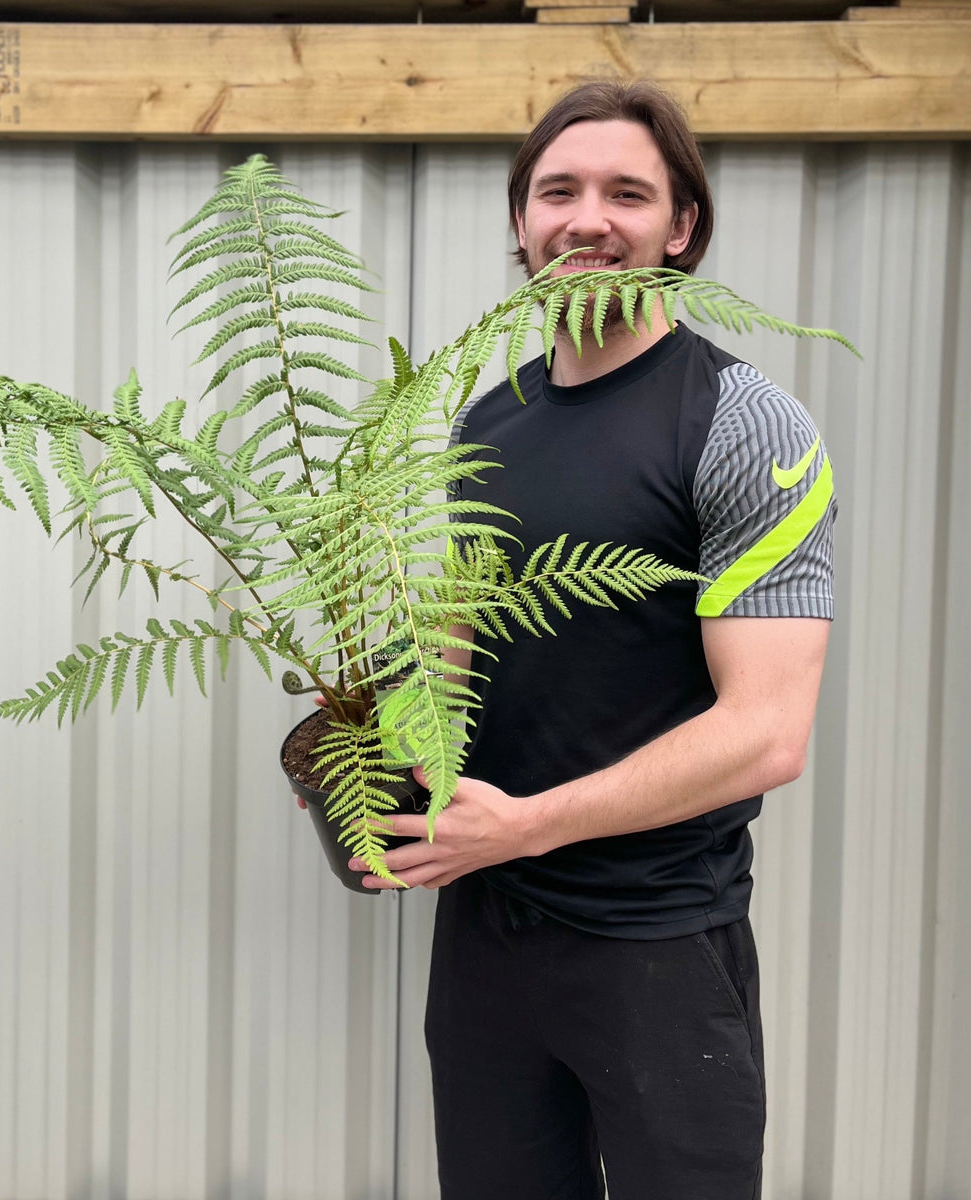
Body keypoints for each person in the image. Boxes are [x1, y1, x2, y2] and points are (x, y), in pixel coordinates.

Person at [349, 80, 835, 1199]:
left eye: (627, 192)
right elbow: (457, 648)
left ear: (683, 227)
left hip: (659, 944)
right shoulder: (491, 418)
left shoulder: (744, 424)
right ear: (522, 223)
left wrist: (523, 827)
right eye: (557, 190)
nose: (588, 219)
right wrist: (367, 744)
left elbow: (767, 734)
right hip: (487, 939)